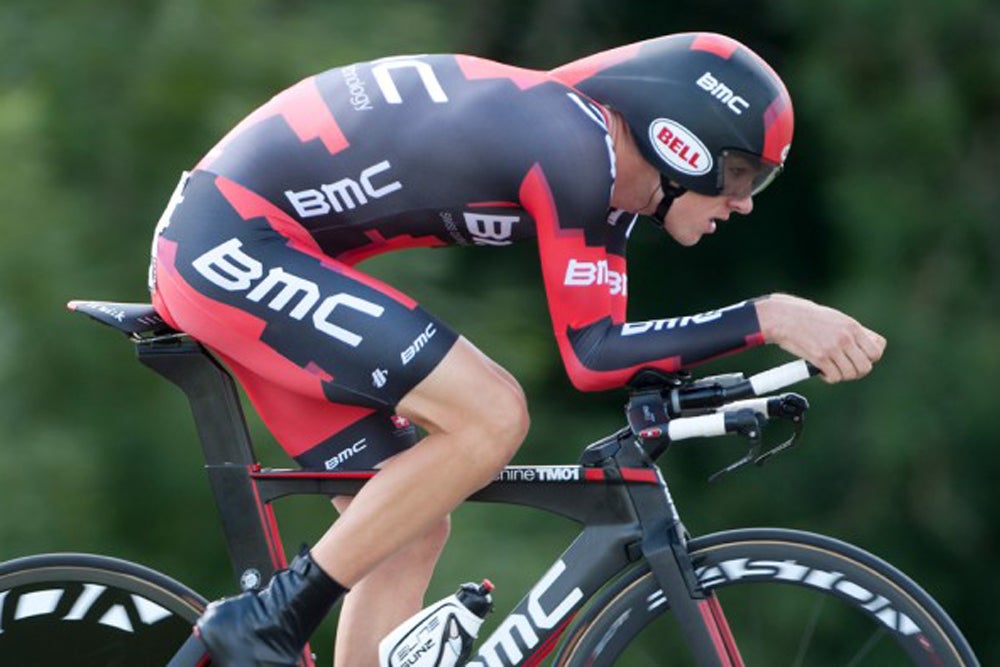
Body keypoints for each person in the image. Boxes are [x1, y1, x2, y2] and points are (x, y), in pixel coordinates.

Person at [148, 31, 885, 666]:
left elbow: (618, 351)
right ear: (679, 141)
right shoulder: (573, 145)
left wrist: (717, 382)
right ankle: (263, 621)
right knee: (491, 413)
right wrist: (769, 316)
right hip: (229, 241)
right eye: (740, 173)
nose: (746, 200)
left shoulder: (603, 187)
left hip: (245, 244)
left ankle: (275, 618)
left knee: (406, 524)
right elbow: (591, 355)